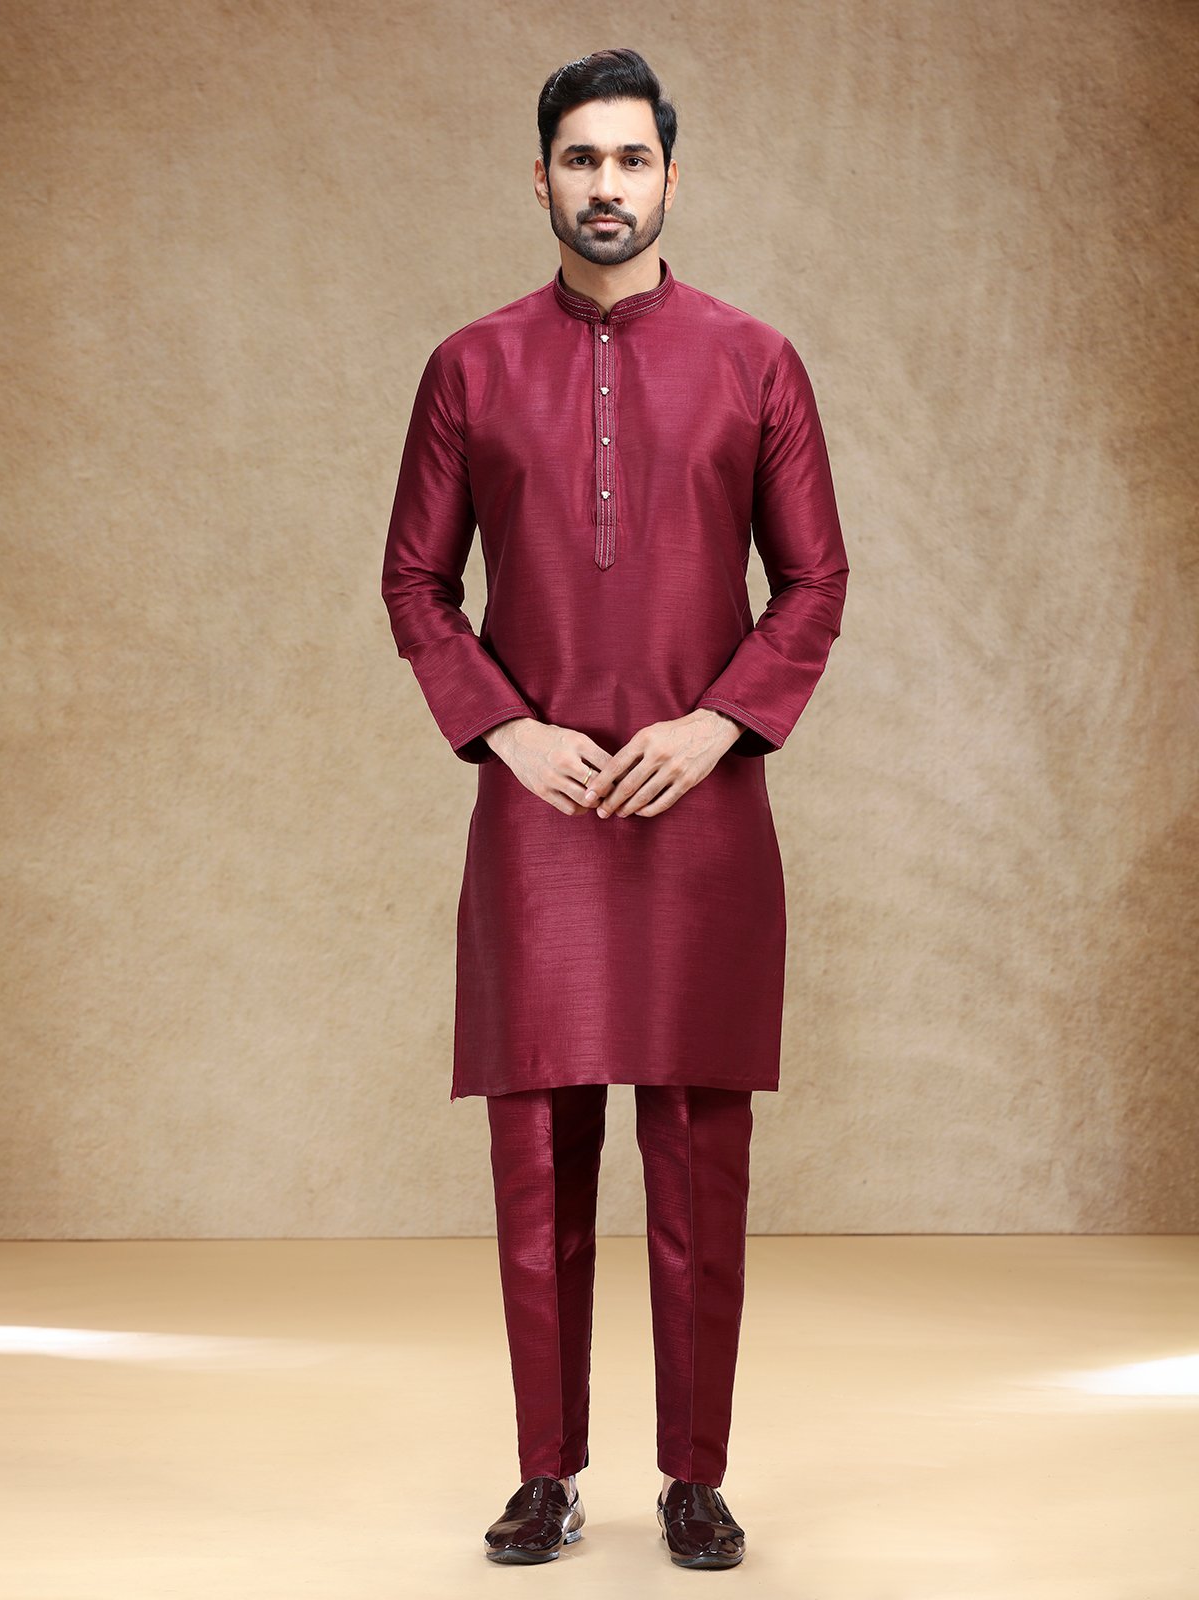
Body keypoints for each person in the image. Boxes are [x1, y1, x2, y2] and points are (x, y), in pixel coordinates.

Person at [382, 48, 847, 1570]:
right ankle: (546, 1474)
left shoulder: (757, 362)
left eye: (630, 159)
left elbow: (815, 580)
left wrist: (717, 726)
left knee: (701, 1160)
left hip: (701, 810)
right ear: (541, 179)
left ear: (669, 178)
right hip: (540, 812)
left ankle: (695, 1481)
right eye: (579, 159)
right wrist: (507, 734)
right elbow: (415, 583)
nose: (605, 185)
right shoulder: (469, 368)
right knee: (537, 1159)